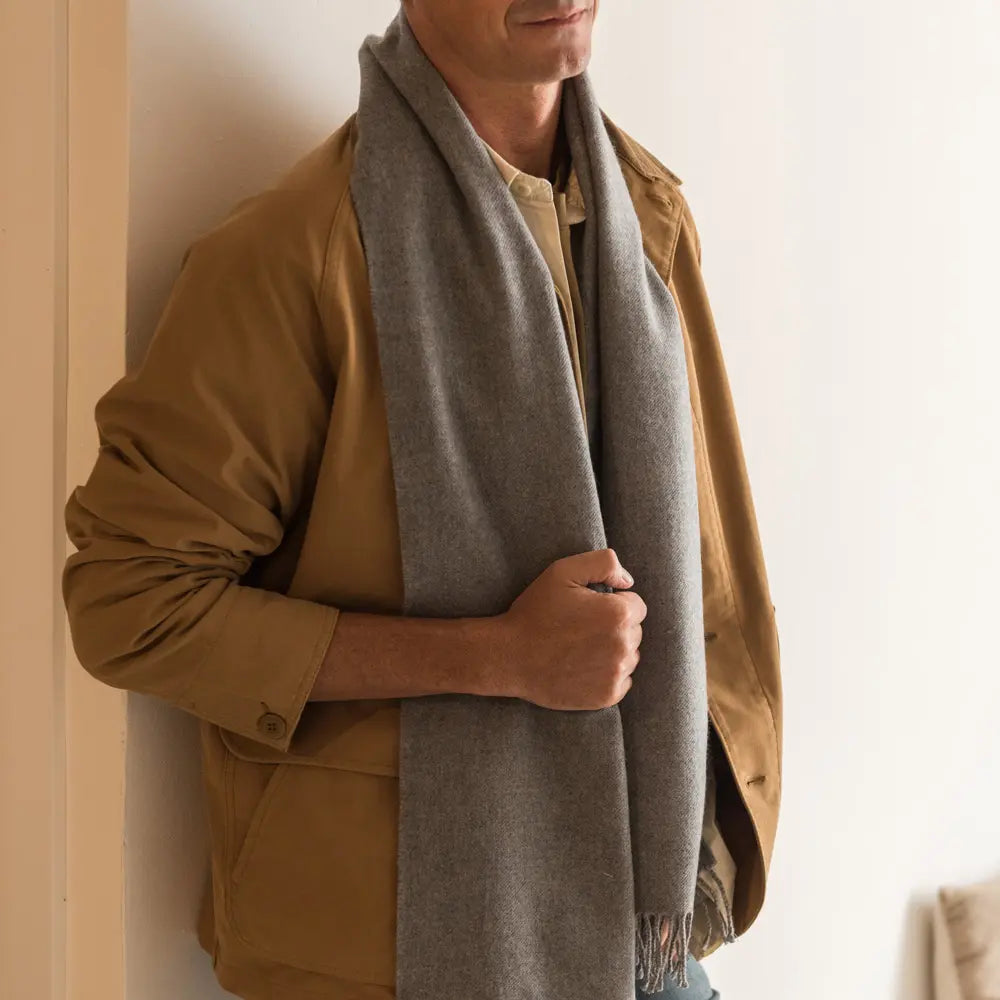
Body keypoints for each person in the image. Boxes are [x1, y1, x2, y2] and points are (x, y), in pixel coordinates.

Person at [62, 3, 782, 999]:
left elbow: (706, 558)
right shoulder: (298, 254)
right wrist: (495, 657)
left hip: (639, 933)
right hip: (407, 952)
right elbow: (130, 603)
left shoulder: (643, 216)